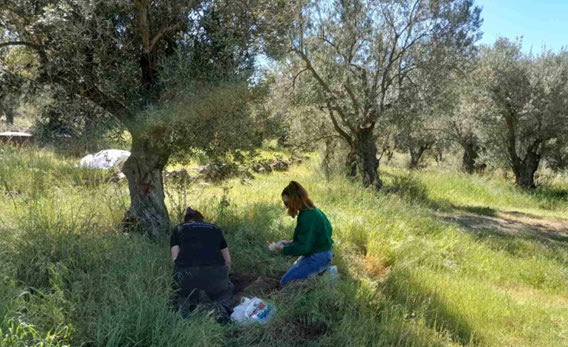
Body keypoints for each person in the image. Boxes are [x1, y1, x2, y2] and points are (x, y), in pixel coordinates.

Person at [170, 207, 233, 321]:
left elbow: (175, 258)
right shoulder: (215, 228)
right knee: (224, 292)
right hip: (215, 271)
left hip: (187, 272)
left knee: (182, 294)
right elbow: (227, 260)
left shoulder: (178, 228)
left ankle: (184, 315)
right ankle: (221, 310)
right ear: (202, 220)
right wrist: (224, 279)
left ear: (186, 220)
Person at [274, 181, 334, 286]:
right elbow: (314, 237)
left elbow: (304, 247)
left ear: (294, 200)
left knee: (286, 282)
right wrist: (289, 242)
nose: (286, 206)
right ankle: (319, 273)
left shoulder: (307, 217)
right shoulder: (313, 211)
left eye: (287, 203)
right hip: (320, 253)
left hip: (318, 256)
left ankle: (321, 280)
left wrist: (283, 249)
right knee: (292, 273)